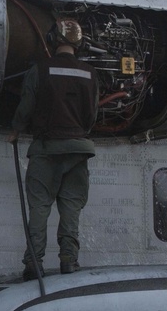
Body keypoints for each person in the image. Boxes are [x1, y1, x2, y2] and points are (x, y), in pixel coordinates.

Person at [8, 18, 99, 281]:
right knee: (70, 208)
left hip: (46, 150)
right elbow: (92, 116)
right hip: (78, 150)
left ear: (53, 40)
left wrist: (15, 130)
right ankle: (69, 261)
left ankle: (34, 264)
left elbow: (26, 105)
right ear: (79, 43)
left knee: (39, 207)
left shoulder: (40, 70)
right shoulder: (90, 74)